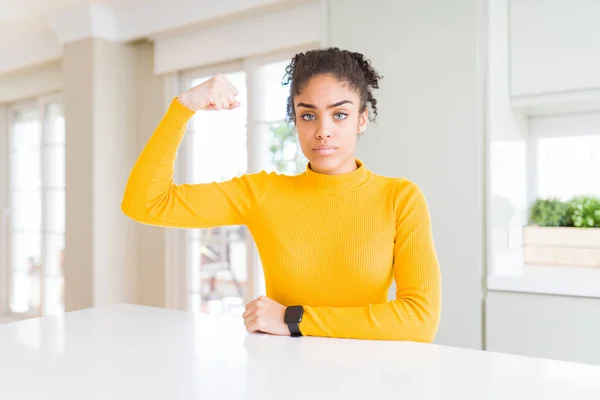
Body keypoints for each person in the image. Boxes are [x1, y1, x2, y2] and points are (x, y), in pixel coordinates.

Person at [122, 47, 441, 342]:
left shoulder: (400, 198)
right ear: (296, 121)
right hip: (283, 376)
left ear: (361, 120)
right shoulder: (263, 193)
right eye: (308, 115)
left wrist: (294, 319)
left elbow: (420, 319)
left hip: (367, 378)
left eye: (339, 114)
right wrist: (183, 108)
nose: (323, 130)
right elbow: (145, 204)